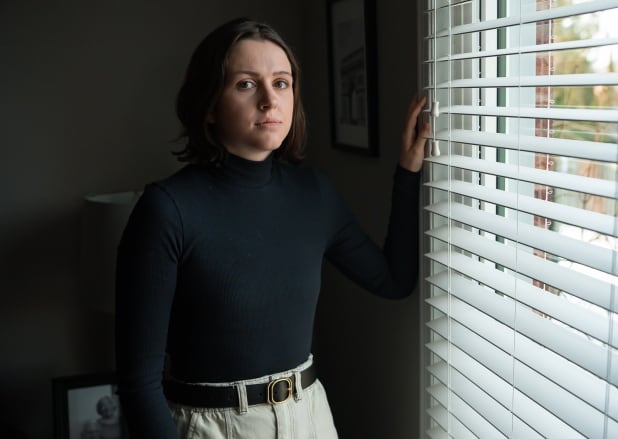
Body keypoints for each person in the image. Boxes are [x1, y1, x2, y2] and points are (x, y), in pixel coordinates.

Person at [114, 16, 429, 438]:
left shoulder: (314, 194)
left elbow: (394, 279)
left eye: (281, 83)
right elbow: (139, 383)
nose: (269, 100)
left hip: (310, 418)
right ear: (210, 104)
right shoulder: (167, 210)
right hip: (213, 426)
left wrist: (408, 173)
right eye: (246, 84)